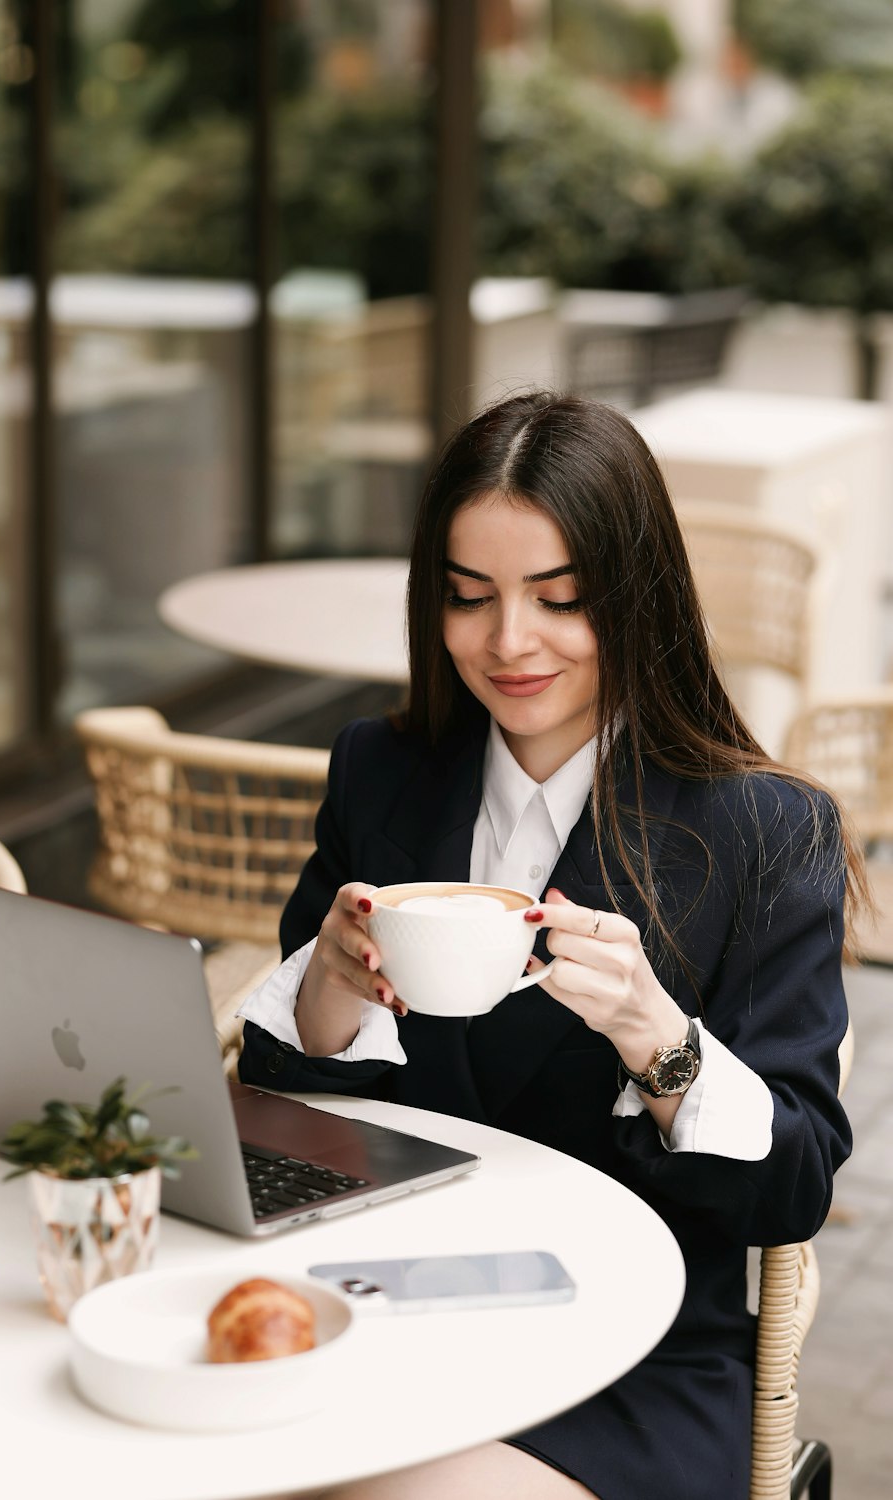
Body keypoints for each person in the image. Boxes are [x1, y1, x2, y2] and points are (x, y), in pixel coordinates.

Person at [238, 392, 858, 1500]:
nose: (508, 642)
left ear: (639, 600)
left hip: (623, 1353)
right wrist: (327, 990)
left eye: (561, 600)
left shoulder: (764, 830)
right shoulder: (383, 770)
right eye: (468, 598)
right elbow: (277, 1104)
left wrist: (654, 1035)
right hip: (374, 1300)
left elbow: (793, 1187)